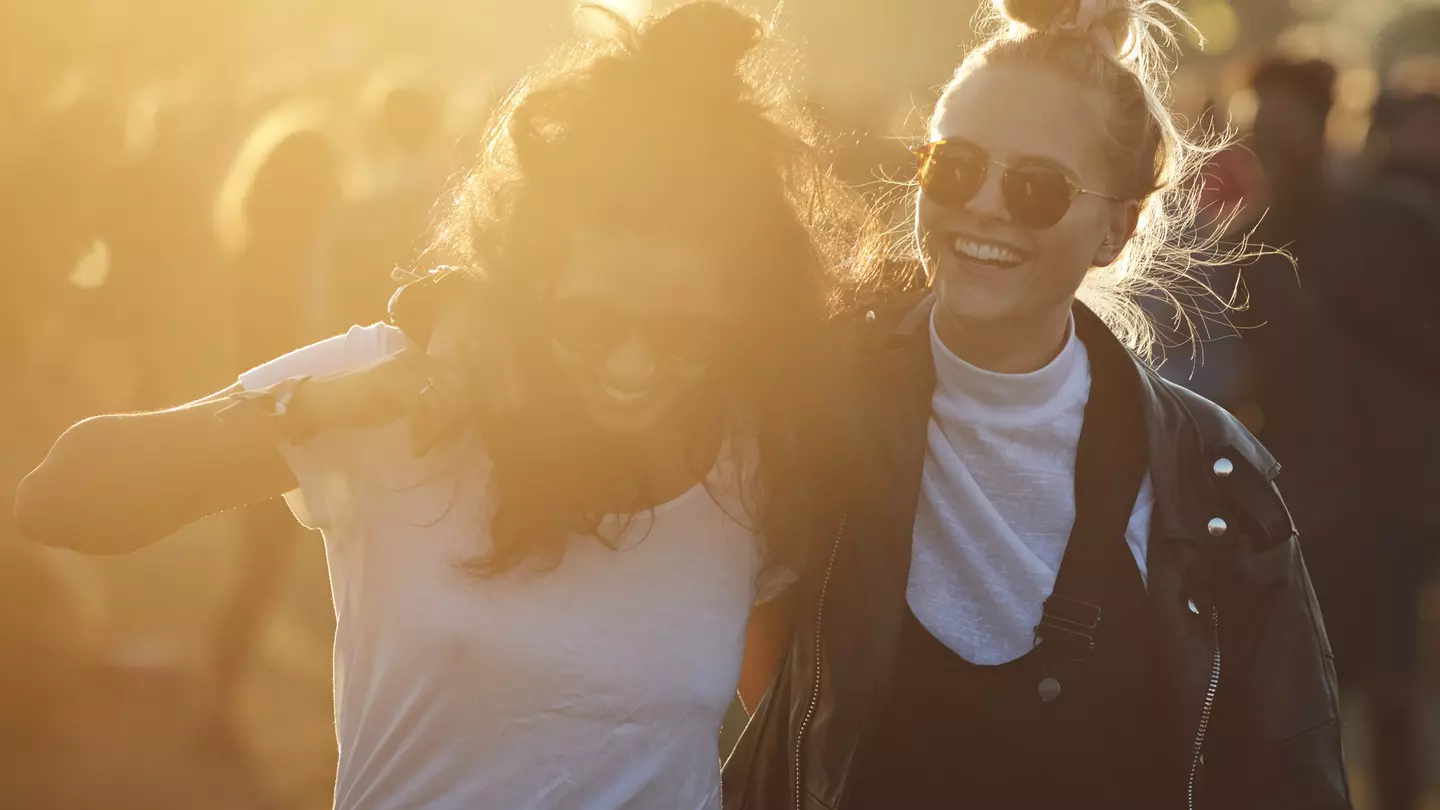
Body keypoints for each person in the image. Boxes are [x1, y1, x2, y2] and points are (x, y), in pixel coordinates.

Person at [14, 4, 871, 808]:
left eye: (683, 334)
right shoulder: (395, 391)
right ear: (530, 282)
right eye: (587, 322)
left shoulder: (756, 446)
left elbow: (775, 707)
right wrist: (311, 409)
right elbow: (61, 498)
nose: (634, 364)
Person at [723, 1, 1349, 809]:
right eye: (954, 166)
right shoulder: (806, 403)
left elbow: (1284, 770)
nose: (983, 205)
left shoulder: (1212, 473)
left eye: (1036, 187)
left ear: (1115, 232)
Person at [204, 106, 346, 756]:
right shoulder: (306, 254)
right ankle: (220, 700)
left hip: (259, 420)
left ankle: (220, 694)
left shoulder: (256, 242)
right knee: (281, 567)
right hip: (295, 421)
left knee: (260, 569)